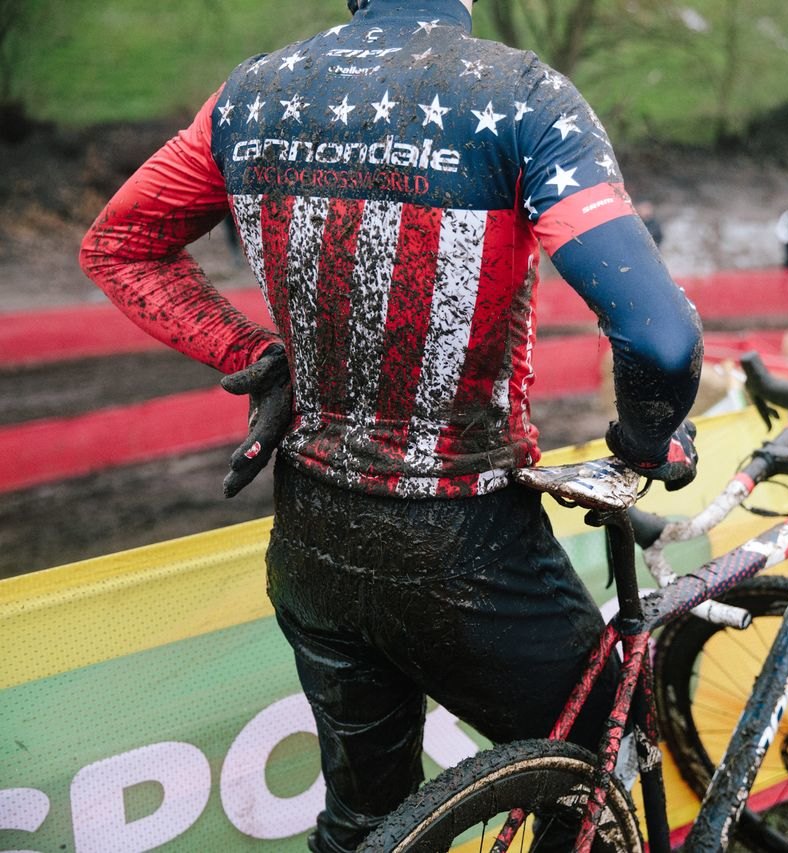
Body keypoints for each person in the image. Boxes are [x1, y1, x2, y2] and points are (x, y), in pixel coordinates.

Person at [78, 1, 703, 850]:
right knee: (606, 759)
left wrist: (258, 352)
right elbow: (661, 340)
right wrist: (643, 441)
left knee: (363, 820)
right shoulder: (521, 95)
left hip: (311, 536)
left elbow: (120, 243)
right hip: (467, 538)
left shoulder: (249, 95)